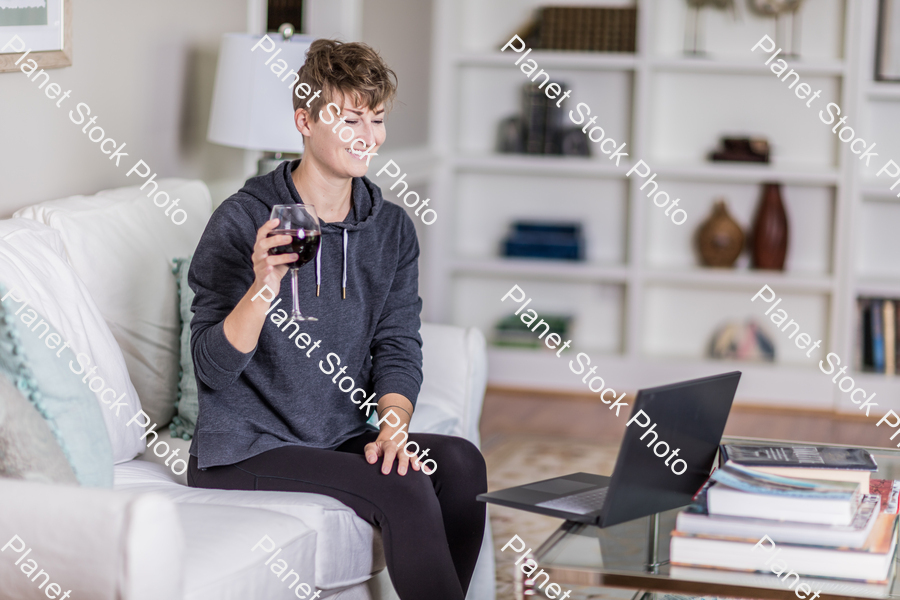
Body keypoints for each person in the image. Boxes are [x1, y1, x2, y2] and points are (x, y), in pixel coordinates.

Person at [186, 39, 487, 600]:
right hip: (245, 448)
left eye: (375, 119)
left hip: (341, 434)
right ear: (305, 121)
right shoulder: (242, 220)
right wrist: (263, 285)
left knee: (461, 464)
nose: (367, 137)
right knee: (404, 488)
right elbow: (211, 368)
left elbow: (398, 341)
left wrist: (394, 422)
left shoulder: (391, 229)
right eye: (349, 118)